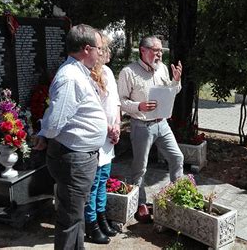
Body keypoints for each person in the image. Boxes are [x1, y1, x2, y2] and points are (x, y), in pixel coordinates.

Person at [33, 24, 107, 249]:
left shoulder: (78, 73)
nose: (101, 53)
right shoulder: (71, 77)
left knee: (76, 216)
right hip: (74, 159)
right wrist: (45, 134)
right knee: (70, 218)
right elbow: (55, 122)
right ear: (87, 49)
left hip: (80, 157)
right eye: (99, 48)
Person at [117, 35, 184, 223]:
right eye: (156, 50)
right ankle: (141, 203)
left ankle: (175, 196)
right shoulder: (128, 72)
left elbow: (172, 92)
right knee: (140, 168)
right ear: (143, 50)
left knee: (177, 157)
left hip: (162, 124)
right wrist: (139, 106)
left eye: (161, 50)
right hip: (141, 125)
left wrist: (176, 81)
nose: (160, 54)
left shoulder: (162, 68)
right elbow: (120, 102)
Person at [84, 34, 120, 244]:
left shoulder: (108, 72)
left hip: (109, 137)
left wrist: (117, 125)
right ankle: (91, 224)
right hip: (97, 135)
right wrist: (108, 129)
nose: (108, 53)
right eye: (104, 49)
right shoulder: (87, 75)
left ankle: (102, 216)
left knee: (103, 180)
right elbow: (93, 110)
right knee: (93, 182)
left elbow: (115, 103)